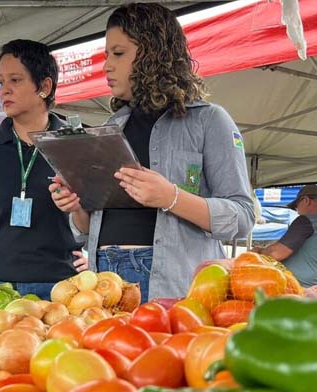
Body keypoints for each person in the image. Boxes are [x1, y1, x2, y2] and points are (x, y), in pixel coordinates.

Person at [50, 3, 254, 301]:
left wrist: (171, 197)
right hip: (103, 278)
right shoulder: (111, 126)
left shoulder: (209, 120)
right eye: (106, 54)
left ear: (153, 53)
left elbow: (243, 217)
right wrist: (77, 205)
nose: (106, 65)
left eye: (118, 54)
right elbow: (84, 230)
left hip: (174, 280)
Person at [0, 39, 86, 300]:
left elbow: (93, 220)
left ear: (44, 86)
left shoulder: (76, 142)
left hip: (57, 290)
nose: (5, 91)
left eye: (15, 80)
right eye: (1, 82)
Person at [252, 184, 317, 287]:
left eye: (296, 207)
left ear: (306, 200)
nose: (298, 212)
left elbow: (276, 253)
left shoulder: (307, 220)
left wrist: (258, 252)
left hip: (298, 289)